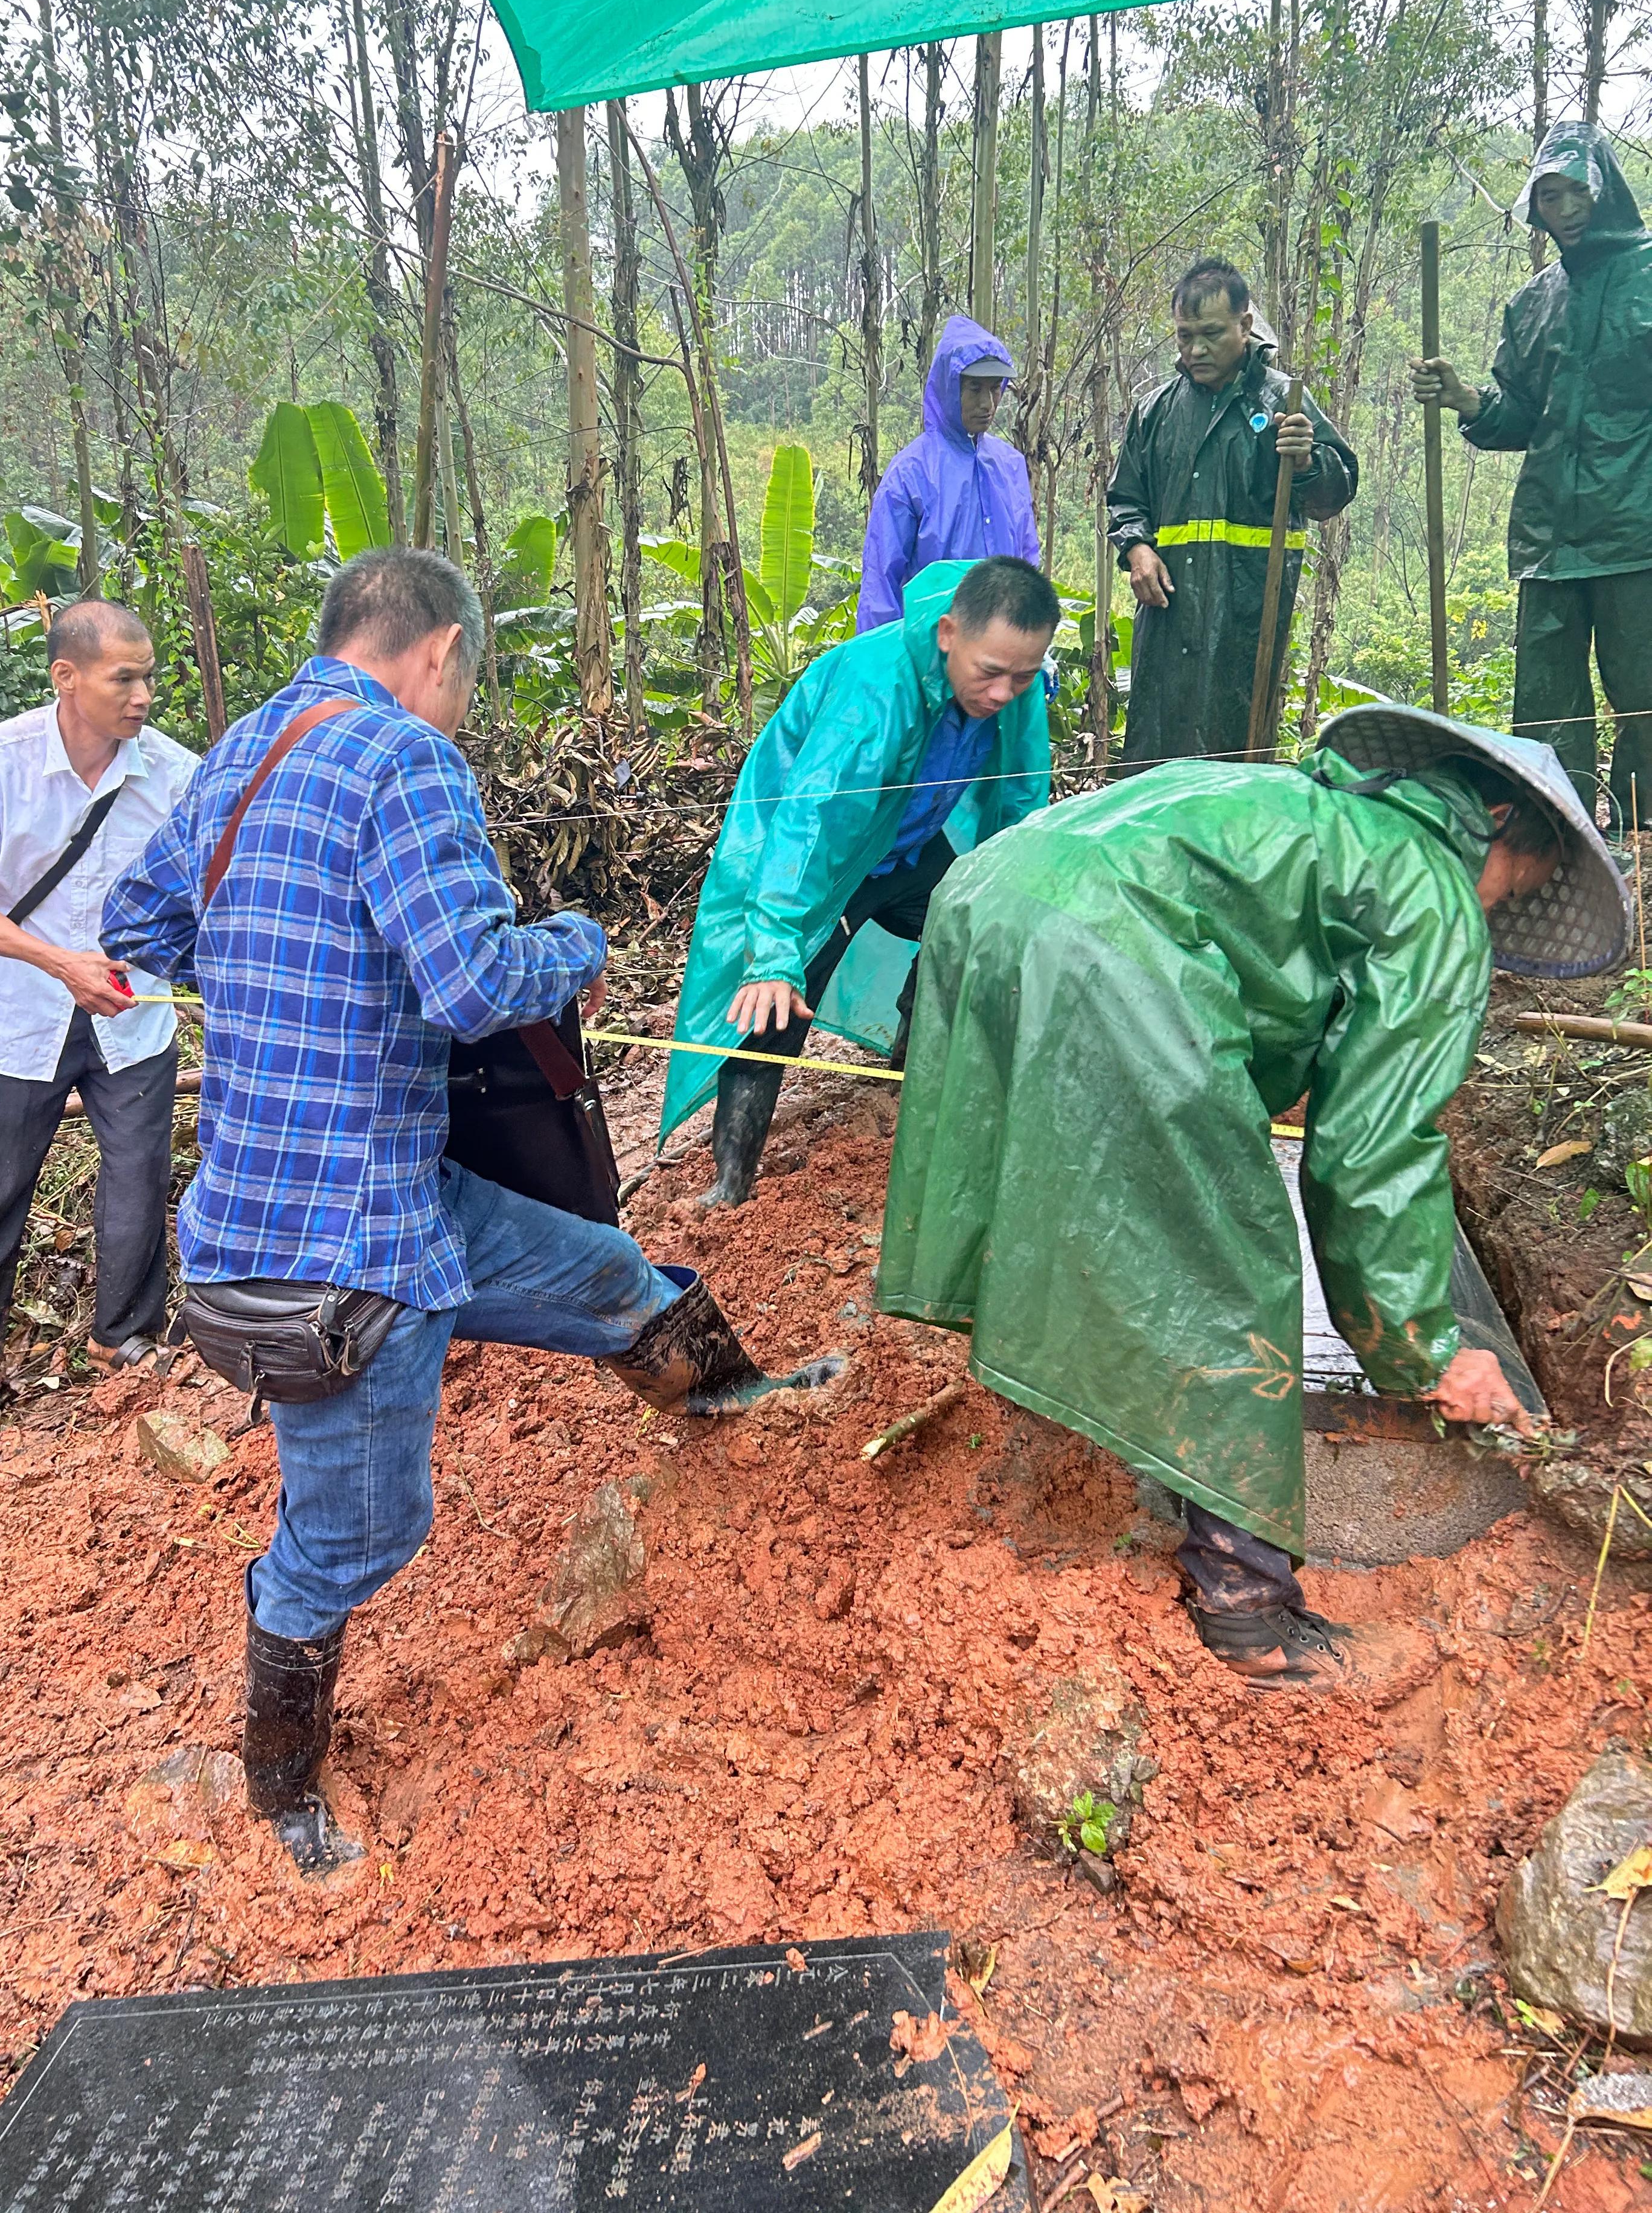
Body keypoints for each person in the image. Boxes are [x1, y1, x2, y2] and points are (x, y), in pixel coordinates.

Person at [103, 548, 822, 1877]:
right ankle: (280, 1786)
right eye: (465, 685)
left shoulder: (242, 750)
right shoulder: (406, 757)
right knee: (358, 1539)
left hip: (355, 1205)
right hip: (340, 1266)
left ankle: (734, 1401)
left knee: (603, 1271)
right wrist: (577, 944)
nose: (461, 710)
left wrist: (290, 967)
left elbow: (135, 925)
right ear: (437, 651)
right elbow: (471, 982)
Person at [877, 703, 1630, 1691]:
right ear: (1495, 822)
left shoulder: (1303, 808)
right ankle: (1247, 1608)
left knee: (1062, 1169)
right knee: (1230, 1254)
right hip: (1107, 943)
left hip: (987, 891)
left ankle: (1043, 1360)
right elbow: (1370, 1151)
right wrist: (1425, 1349)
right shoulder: (1434, 890)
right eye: (1513, 886)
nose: (1492, 911)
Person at [664, 556, 1058, 1209]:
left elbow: (1021, 794)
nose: (1001, 694)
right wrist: (774, 952)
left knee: (970, 924)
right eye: (990, 673)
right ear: (948, 634)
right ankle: (731, 1181)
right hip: (831, 857)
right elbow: (808, 823)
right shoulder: (874, 691)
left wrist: (1018, 898)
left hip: (907, 845)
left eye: (1021, 677)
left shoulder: (1014, 685)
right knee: (776, 1003)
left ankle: (910, 1062)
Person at [0, 598, 196, 1452]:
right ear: (66, 677)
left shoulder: (175, 773)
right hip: (16, 1015)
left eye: (150, 677)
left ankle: (124, 1337)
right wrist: (61, 964)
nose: (143, 695)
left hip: (132, 1014)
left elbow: (199, 890)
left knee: (139, 1177)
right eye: (125, 678)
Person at [1410, 122, 1652, 826]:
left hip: (1637, 532)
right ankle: (1559, 838)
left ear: (1606, 191)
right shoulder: (1534, 302)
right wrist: (1466, 399)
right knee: (1546, 706)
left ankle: (1640, 836)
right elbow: (1520, 415)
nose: (1566, 209)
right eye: (1550, 196)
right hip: (1549, 536)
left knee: (1645, 694)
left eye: (1578, 191)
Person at [1109, 257, 1358, 769]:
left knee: (1236, 756)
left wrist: (1308, 462)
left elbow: (1334, 494)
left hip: (1247, 614)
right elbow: (1126, 497)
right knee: (1156, 752)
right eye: (1185, 336)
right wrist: (1137, 550)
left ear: (1245, 326)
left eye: (1211, 334)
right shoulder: (1156, 411)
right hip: (1168, 613)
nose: (1196, 350)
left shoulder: (1283, 400)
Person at [857, 317, 1040, 632]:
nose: (987, 403)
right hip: (932, 645)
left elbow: (1027, 559)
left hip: (1003, 646)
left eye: (995, 389)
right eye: (974, 389)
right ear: (949, 387)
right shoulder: (911, 473)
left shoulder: (1010, 465)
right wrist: (881, 655)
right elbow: (881, 580)